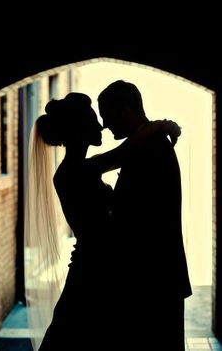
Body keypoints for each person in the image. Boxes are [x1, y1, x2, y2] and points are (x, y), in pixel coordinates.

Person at [24, 92, 182, 351]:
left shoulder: (82, 169)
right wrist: (160, 125)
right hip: (92, 272)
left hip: (99, 269)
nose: (101, 126)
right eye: (93, 121)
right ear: (78, 131)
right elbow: (124, 152)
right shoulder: (74, 172)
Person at [97, 80, 192, 351]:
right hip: (155, 276)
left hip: (153, 278)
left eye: (107, 114)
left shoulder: (151, 148)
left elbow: (143, 220)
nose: (105, 123)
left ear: (126, 110)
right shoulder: (148, 143)